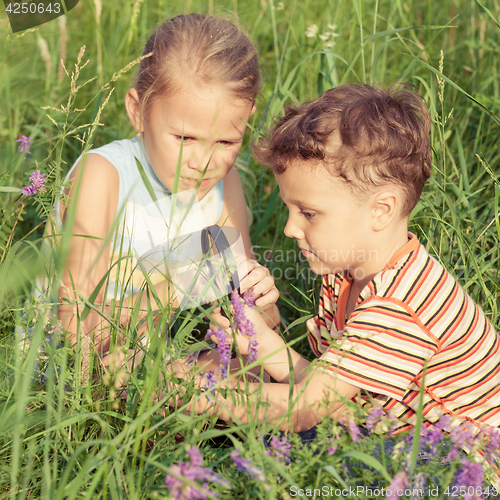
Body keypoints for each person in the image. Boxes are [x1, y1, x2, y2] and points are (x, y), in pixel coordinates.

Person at [200, 83, 500, 436]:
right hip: (389, 433)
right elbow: (328, 395)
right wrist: (261, 342)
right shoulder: (347, 274)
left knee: (293, 440)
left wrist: (190, 396)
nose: (290, 229)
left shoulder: (397, 305)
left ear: (381, 210)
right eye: (289, 209)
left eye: (308, 213)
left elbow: (305, 410)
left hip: (460, 465)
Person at [48, 14, 279, 364]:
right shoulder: (102, 177)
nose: (204, 163)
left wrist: (261, 304)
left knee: (251, 369)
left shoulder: (223, 181)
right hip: (76, 366)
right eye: (185, 138)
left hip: (166, 356)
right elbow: (72, 331)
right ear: (138, 112)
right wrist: (178, 289)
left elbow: (258, 321)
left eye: (227, 141)